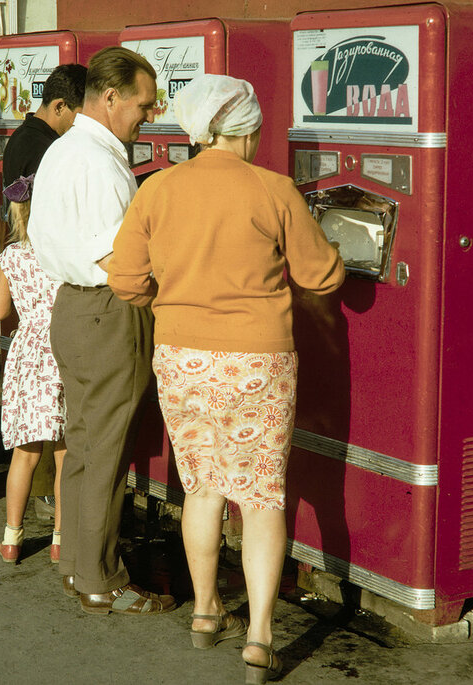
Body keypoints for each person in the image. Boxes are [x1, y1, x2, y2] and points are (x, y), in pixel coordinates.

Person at [107, 74, 345, 682]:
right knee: (262, 496)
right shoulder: (275, 189)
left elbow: (127, 282)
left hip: (182, 357)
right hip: (258, 361)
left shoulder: (157, 189)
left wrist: (178, 296)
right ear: (249, 128)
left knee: (203, 486)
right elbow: (322, 277)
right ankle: (262, 637)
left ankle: (207, 612)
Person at [28, 46, 175, 615]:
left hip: (73, 308)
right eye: (141, 105)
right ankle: (102, 579)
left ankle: (77, 566)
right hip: (109, 311)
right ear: (110, 97)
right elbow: (124, 259)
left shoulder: (65, 150)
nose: (147, 116)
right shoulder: (99, 161)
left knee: (85, 445)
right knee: (106, 454)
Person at [0, 63, 87, 565]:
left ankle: (9, 537)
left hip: (26, 356)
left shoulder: (12, 255)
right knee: (65, 453)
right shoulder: (56, 253)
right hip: (61, 349)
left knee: (24, 454)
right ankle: (57, 541)